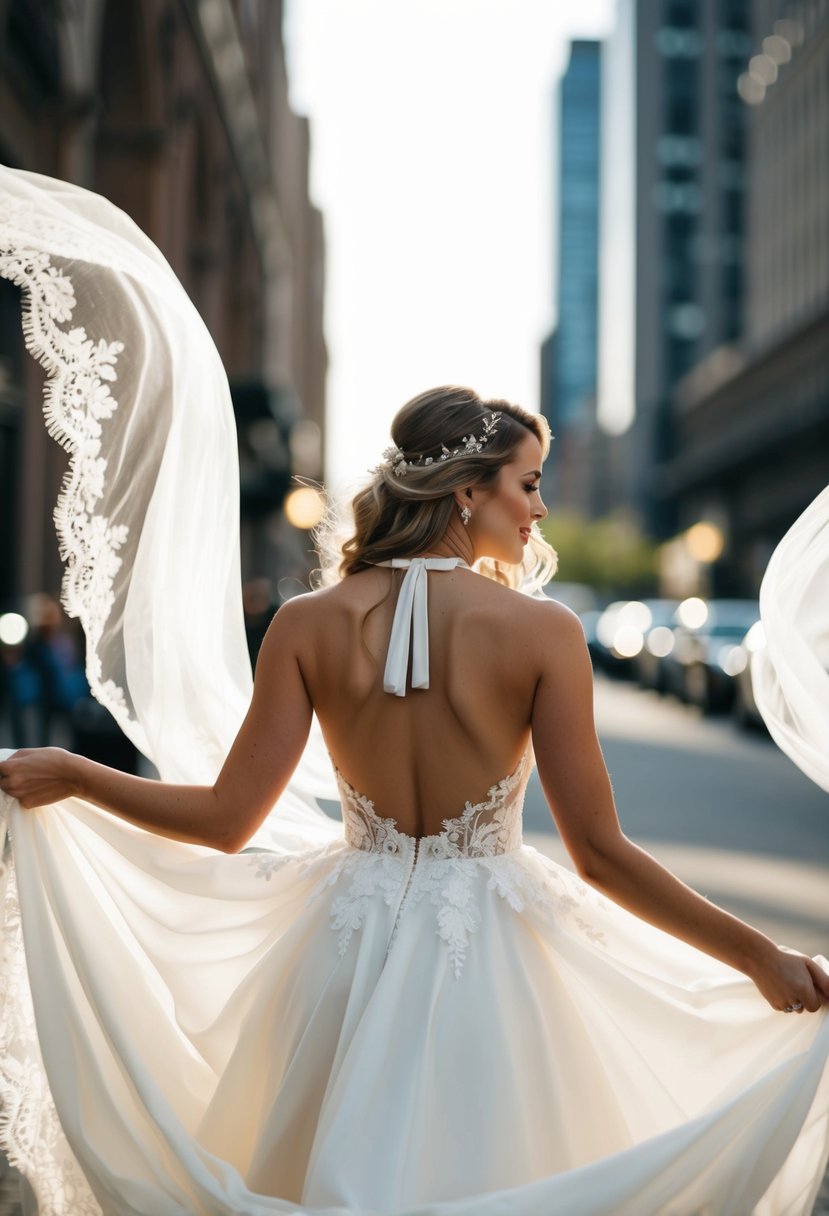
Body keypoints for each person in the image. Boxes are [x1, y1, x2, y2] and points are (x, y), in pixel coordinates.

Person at [0, 169, 828, 1216]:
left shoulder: (308, 622)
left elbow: (220, 820)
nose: (537, 509)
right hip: (497, 961)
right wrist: (760, 958)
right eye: (527, 483)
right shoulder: (541, 631)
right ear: (467, 490)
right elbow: (600, 852)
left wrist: (79, 776)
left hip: (337, 956)